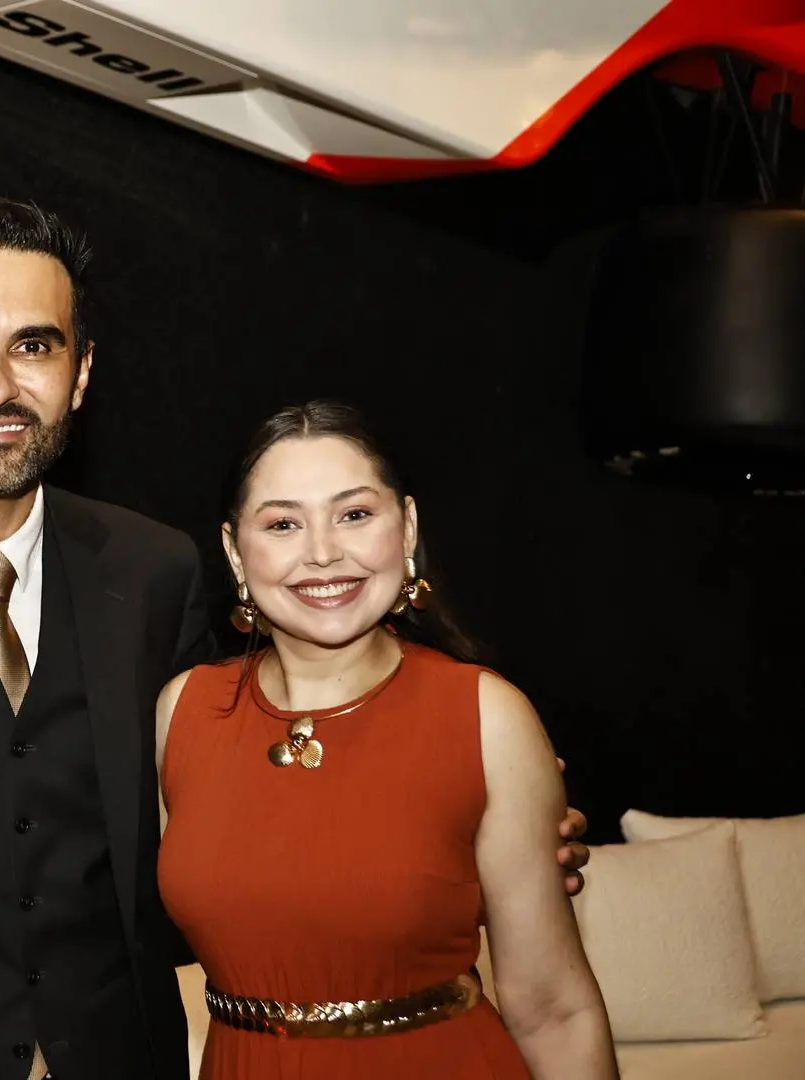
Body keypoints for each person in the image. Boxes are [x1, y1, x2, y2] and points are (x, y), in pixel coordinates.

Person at [0, 194, 592, 1080]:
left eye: (34, 345)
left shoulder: (151, 571)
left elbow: (242, 789)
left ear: (81, 374)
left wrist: (500, 825)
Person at [156, 400, 617, 1079]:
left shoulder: (486, 715)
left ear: (407, 529)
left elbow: (554, 1009)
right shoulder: (183, 712)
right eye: (283, 523)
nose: (322, 552)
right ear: (234, 552)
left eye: (354, 515)